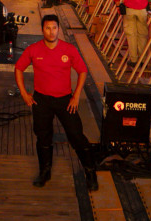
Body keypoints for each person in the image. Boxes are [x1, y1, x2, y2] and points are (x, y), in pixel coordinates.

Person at [15, 14, 98, 191]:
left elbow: (82, 71)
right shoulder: (33, 49)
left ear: (58, 29)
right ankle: (45, 171)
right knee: (43, 136)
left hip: (65, 100)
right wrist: (24, 93)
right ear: (42, 30)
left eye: (54, 28)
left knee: (77, 136)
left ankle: (90, 172)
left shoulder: (68, 49)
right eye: (47, 28)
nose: (51, 32)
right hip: (41, 100)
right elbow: (19, 68)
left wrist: (76, 96)